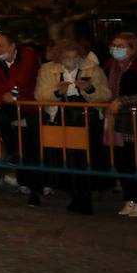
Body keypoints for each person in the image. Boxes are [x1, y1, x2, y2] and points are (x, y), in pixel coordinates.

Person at [36, 38, 110, 214]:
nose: (70, 59)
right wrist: (57, 92)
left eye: (74, 56)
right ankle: (74, 194)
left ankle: (85, 196)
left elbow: (105, 94)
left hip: (87, 119)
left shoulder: (93, 69)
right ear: (59, 56)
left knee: (86, 157)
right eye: (66, 56)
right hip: (61, 116)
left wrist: (89, 89)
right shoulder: (47, 69)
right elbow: (40, 94)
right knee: (68, 158)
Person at [103, 32, 137, 218]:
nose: (116, 49)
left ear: (132, 47)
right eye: (114, 45)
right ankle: (130, 198)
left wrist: (123, 101)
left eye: (121, 45)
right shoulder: (111, 66)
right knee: (122, 162)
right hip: (115, 122)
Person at [0, 32, 43, 206]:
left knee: (32, 148)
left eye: (0, 45)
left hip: (30, 107)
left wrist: (10, 92)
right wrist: (4, 94)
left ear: (12, 46)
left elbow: (24, 78)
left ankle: (35, 189)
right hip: (10, 107)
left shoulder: (27, 55)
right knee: (14, 138)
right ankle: (16, 160)